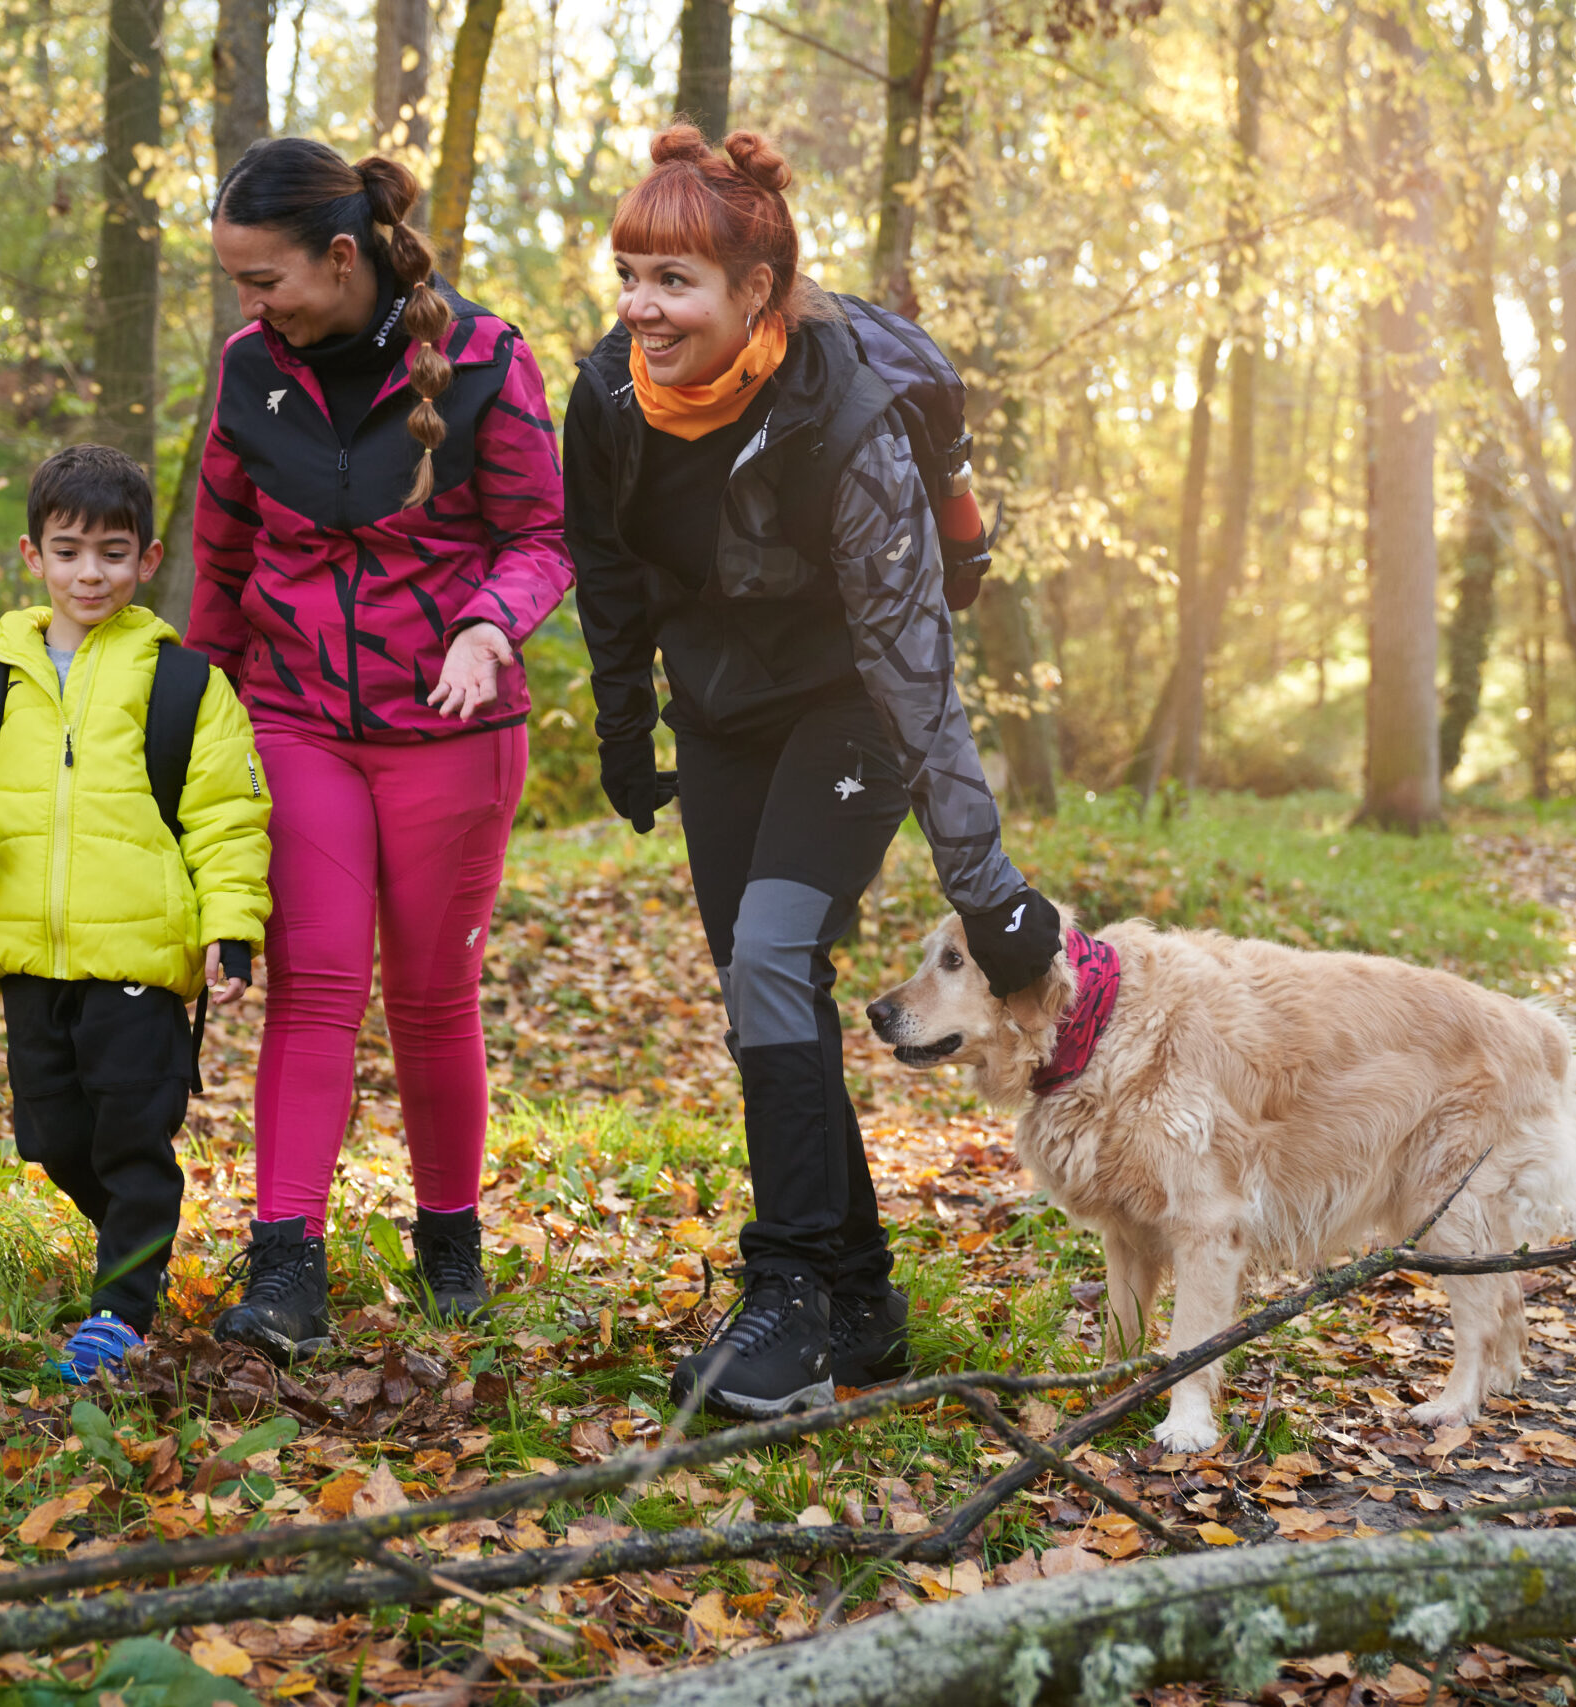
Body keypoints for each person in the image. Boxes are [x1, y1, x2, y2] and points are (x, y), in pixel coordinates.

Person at [565, 124, 1065, 1420]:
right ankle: (863, 1300)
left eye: (674, 280)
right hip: (723, 715)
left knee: (774, 956)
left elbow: (915, 665)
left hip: (853, 713)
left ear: (757, 296)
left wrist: (985, 879)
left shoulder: (848, 424)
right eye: (631, 272)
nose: (641, 306)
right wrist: (626, 728)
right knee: (763, 989)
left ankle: (784, 1298)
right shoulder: (608, 399)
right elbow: (609, 576)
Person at [188, 138, 573, 1362]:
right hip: (295, 718)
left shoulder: (481, 360)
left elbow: (542, 538)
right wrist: (192, 730)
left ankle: (448, 1240)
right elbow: (221, 563)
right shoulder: (250, 375)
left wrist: (485, 625)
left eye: (264, 280)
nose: (251, 307)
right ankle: (286, 1261)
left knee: (428, 995)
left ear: (341, 257)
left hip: (448, 730)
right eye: (238, 285)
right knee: (313, 989)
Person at [0, 444, 272, 1382]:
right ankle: (137, 1246)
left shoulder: (185, 683)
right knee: (54, 1138)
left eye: (113, 551)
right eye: (69, 551)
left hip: (142, 960)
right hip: (28, 952)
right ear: (33, 557)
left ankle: (121, 1312)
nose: (89, 572)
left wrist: (232, 930)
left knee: (133, 1137)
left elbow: (227, 816)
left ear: (148, 560)